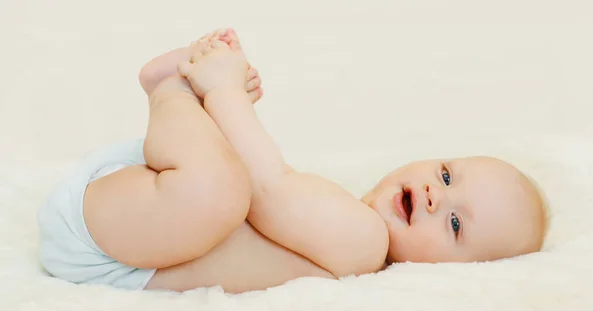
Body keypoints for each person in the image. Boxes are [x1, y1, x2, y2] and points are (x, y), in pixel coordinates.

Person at [37, 28, 547, 294]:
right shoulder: (357, 229)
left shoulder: (364, 246)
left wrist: (226, 98)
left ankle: (176, 95)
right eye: (446, 174)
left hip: (121, 246)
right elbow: (269, 184)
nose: (437, 195)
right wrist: (227, 97)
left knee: (222, 187)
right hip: (131, 221)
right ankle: (174, 95)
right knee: (221, 187)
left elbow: (268, 188)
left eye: (456, 222)